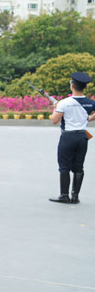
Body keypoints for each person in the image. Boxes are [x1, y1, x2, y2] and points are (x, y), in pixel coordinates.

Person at [49, 72, 95, 203]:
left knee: (64, 167)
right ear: (85, 87)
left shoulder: (64, 103)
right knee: (79, 167)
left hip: (68, 137)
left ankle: (64, 195)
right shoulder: (90, 102)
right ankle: (75, 196)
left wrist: (55, 108)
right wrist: (89, 119)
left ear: (72, 85)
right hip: (82, 136)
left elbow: (54, 120)